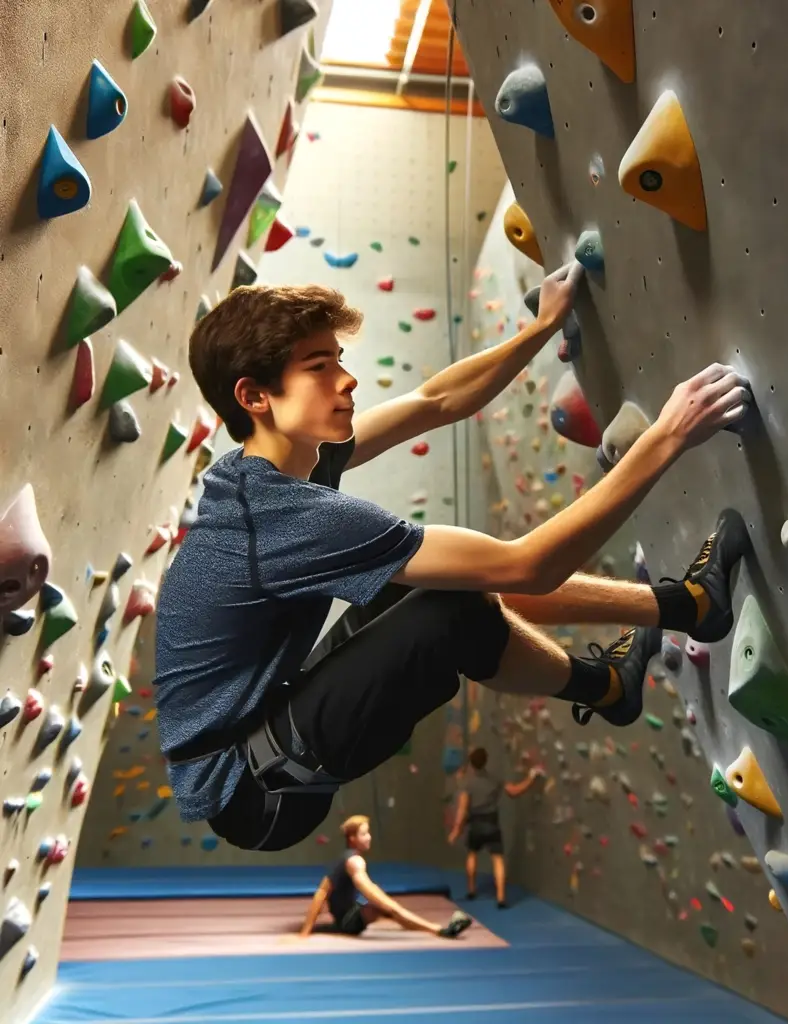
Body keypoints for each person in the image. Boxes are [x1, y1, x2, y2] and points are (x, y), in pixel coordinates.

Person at [154, 261, 753, 853]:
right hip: (256, 791)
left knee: (440, 578)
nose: (347, 379)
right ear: (254, 397)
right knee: (451, 611)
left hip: (266, 730)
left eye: (338, 359)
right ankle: (629, 663)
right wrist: (666, 438)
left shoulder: (275, 465)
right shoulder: (280, 517)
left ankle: (673, 622)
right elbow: (528, 566)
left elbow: (437, 400)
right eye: (320, 367)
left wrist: (539, 329)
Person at [299, 815, 471, 939]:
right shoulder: (355, 862)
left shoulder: (344, 858)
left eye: (368, 833)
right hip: (347, 922)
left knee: (388, 910)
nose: (369, 837)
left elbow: (322, 891)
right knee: (389, 909)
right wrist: (304, 933)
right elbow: (322, 894)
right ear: (352, 839)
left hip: (344, 917)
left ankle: (421, 925)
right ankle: (439, 930)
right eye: (364, 834)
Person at [447, 748, 540, 907]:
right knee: (498, 860)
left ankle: (471, 890)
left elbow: (462, 810)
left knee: (472, 854)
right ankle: (501, 897)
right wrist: (531, 777)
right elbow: (513, 791)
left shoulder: (468, 783)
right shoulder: (495, 779)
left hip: (475, 823)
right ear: (486, 761)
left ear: (471, 763)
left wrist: (456, 831)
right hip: (491, 823)